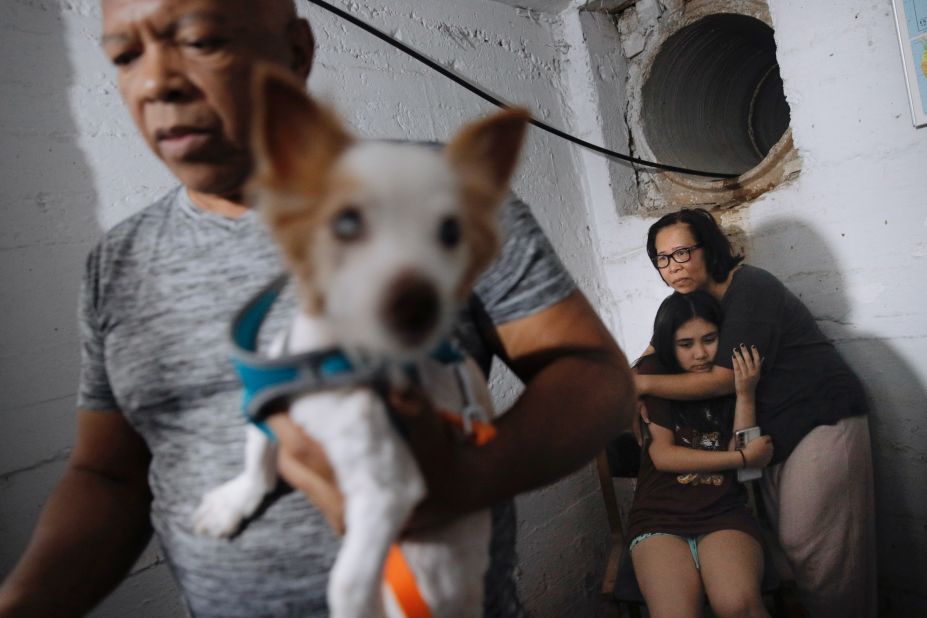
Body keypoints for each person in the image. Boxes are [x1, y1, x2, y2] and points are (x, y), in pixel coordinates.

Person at [0, 1, 636, 616]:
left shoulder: (439, 194)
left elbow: (597, 380)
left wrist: (457, 480)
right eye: (125, 54)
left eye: (199, 40)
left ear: (296, 51)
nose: (157, 82)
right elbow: (109, 474)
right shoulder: (118, 261)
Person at [635, 208, 876, 617]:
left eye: (682, 253)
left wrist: (641, 385)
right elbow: (650, 357)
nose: (672, 267)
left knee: (818, 550)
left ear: (709, 249)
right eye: (662, 258)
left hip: (818, 418)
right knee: (793, 552)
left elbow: (724, 379)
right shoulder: (688, 307)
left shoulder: (749, 288)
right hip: (762, 433)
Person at [629, 291, 774, 618]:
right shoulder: (654, 375)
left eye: (709, 339)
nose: (700, 354)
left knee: (739, 606)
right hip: (658, 517)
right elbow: (664, 457)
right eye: (685, 344)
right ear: (668, 345)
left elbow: (746, 464)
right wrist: (740, 459)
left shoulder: (730, 372)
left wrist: (745, 394)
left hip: (723, 511)